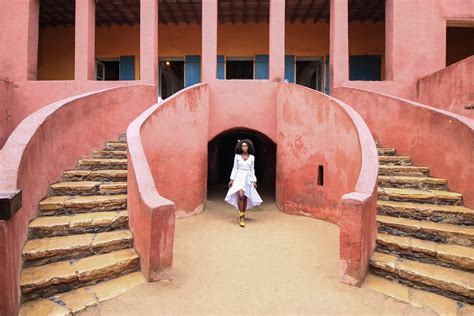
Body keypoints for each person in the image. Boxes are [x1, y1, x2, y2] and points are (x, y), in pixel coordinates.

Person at [225, 139, 263, 227]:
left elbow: (252, 169)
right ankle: (241, 217)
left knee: (245, 197)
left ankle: (242, 214)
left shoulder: (252, 157)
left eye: (246, 146)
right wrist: (232, 179)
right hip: (239, 176)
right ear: (240, 147)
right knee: (240, 195)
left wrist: (254, 181)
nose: (244, 147)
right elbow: (234, 168)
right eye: (242, 146)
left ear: (248, 147)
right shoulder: (237, 156)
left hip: (248, 177)